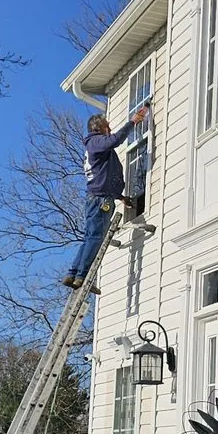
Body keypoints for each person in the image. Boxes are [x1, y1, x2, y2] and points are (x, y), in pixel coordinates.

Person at [63, 105, 149, 294]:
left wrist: (120, 197)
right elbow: (115, 140)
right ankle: (82, 276)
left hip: (99, 197)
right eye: (107, 127)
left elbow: (102, 176)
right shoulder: (94, 142)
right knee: (95, 238)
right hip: (100, 200)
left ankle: (74, 274)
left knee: (89, 237)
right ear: (98, 128)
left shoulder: (95, 147)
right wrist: (133, 121)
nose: (109, 130)